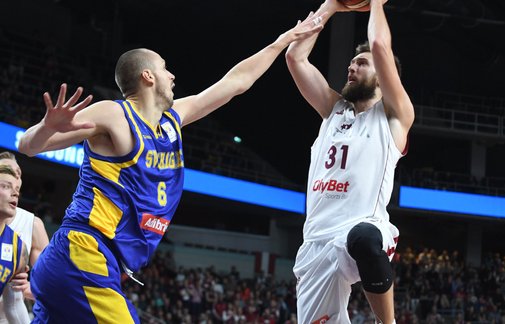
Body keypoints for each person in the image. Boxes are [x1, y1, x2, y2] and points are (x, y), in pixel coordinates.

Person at [17, 12, 327, 323]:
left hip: (93, 263)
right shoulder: (115, 115)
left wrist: (281, 41)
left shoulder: (172, 119)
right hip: (83, 253)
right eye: (166, 69)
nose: (172, 76)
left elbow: (236, 82)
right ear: (148, 76)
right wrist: (45, 127)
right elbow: (28, 146)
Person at [285, 0, 414, 323]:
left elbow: (381, 46)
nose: (350, 67)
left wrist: (376, 4)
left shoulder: (395, 117)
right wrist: (330, 5)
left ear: (385, 79)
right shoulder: (333, 110)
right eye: (351, 62)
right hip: (316, 244)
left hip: (364, 229)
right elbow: (294, 57)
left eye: (361, 63)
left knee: (363, 238)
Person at [0, 151, 50, 323]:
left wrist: (32, 289)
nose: (15, 179)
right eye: (8, 173)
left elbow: (47, 285)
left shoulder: (30, 226)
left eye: (18, 174)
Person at [0, 166, 29, 298]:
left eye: (17, 190)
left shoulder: (19, 248)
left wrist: (29, 289)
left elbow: (13, 305)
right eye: (6, 186)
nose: (15, 193)